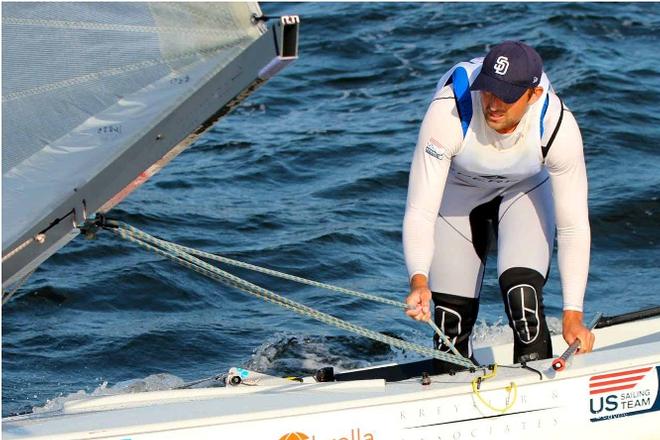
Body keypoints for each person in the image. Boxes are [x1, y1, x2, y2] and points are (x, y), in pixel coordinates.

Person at [402, 41, 595, 365]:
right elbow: (420, 210)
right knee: (450, 327)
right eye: (488, 90)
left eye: (506, 96)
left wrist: (573, 313)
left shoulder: (557, 126)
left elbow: (574, 227)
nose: (492, 104)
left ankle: (541, 395)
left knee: (524, 301)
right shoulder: (448, 112)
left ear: (533, 95)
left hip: (524, 191)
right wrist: (419, 280)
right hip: (458, 197)